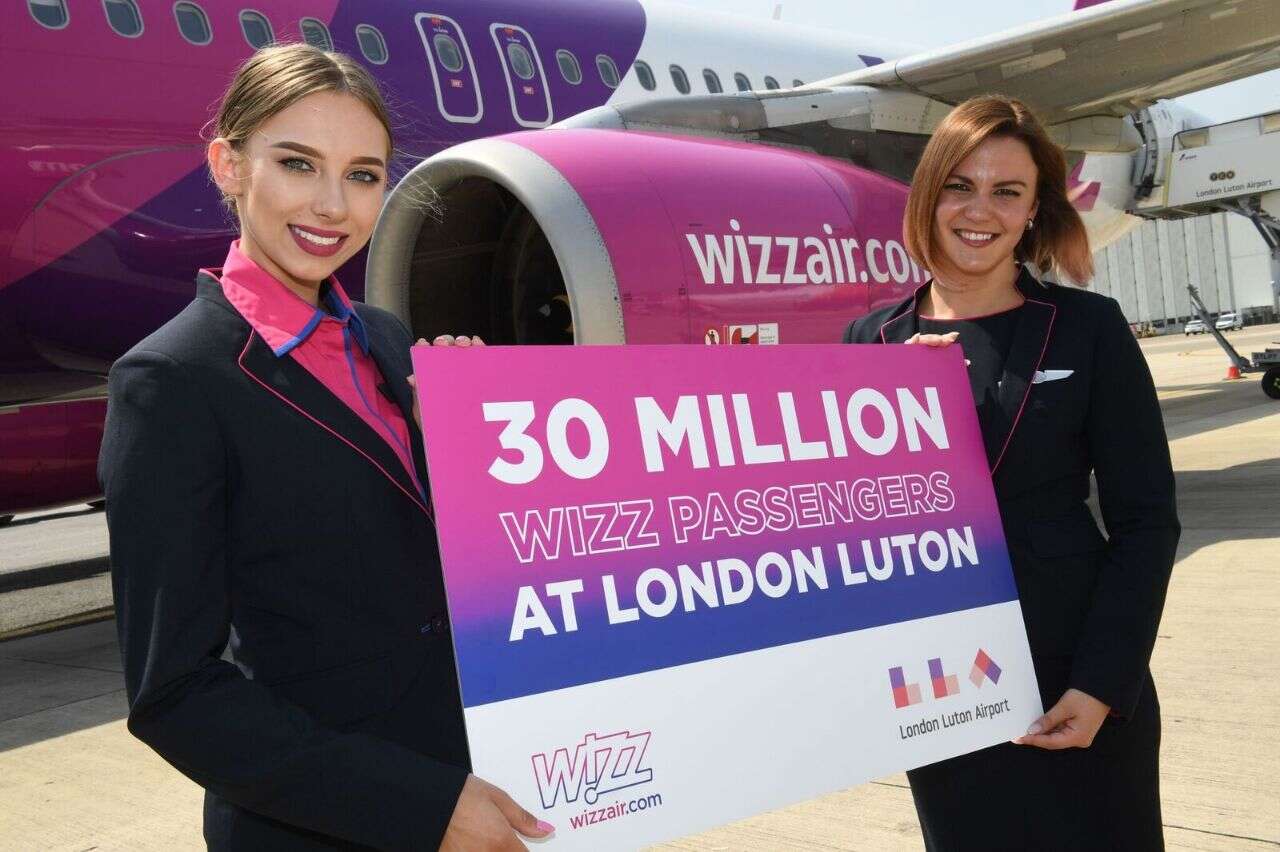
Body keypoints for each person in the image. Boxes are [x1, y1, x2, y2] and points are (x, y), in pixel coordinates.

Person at [99, 44, 550, 851]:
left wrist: (471, 453)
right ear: (229, 166)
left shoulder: (386, 338)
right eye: (298, 164)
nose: (333, 205)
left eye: (363, 174)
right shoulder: (171, 379)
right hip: (324, 824)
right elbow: (175, 694)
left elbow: (424, 566)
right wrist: (422, 807)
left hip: (481, 784)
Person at [844, 96, 1179, 850]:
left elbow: (1146, 521)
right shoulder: (869, 344)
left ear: (1033, 211)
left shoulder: (1090, 328)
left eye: (1007, 191)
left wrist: (1103, 683)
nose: (980, 210)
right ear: (927, 196)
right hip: (943, 692)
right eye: (960, 186)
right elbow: (852, 525)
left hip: (1077, 680)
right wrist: (888, 407)